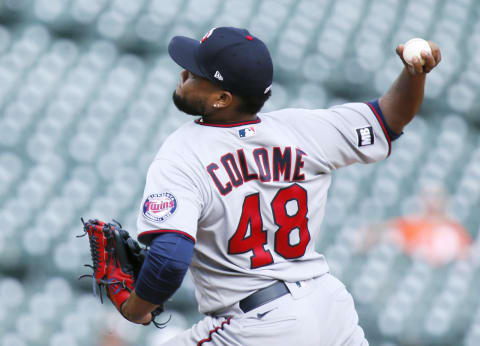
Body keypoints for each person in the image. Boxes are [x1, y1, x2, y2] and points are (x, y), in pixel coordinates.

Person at [117, 27, 441, 345]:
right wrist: (415, 75)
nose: (184, 71)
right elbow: (390, 118)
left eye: (197, 72)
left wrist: (136, 309)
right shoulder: (302, 130)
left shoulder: (182, 153)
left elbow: (170, 257)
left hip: (259, 325)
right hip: (330, 311)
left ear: (222, 98)